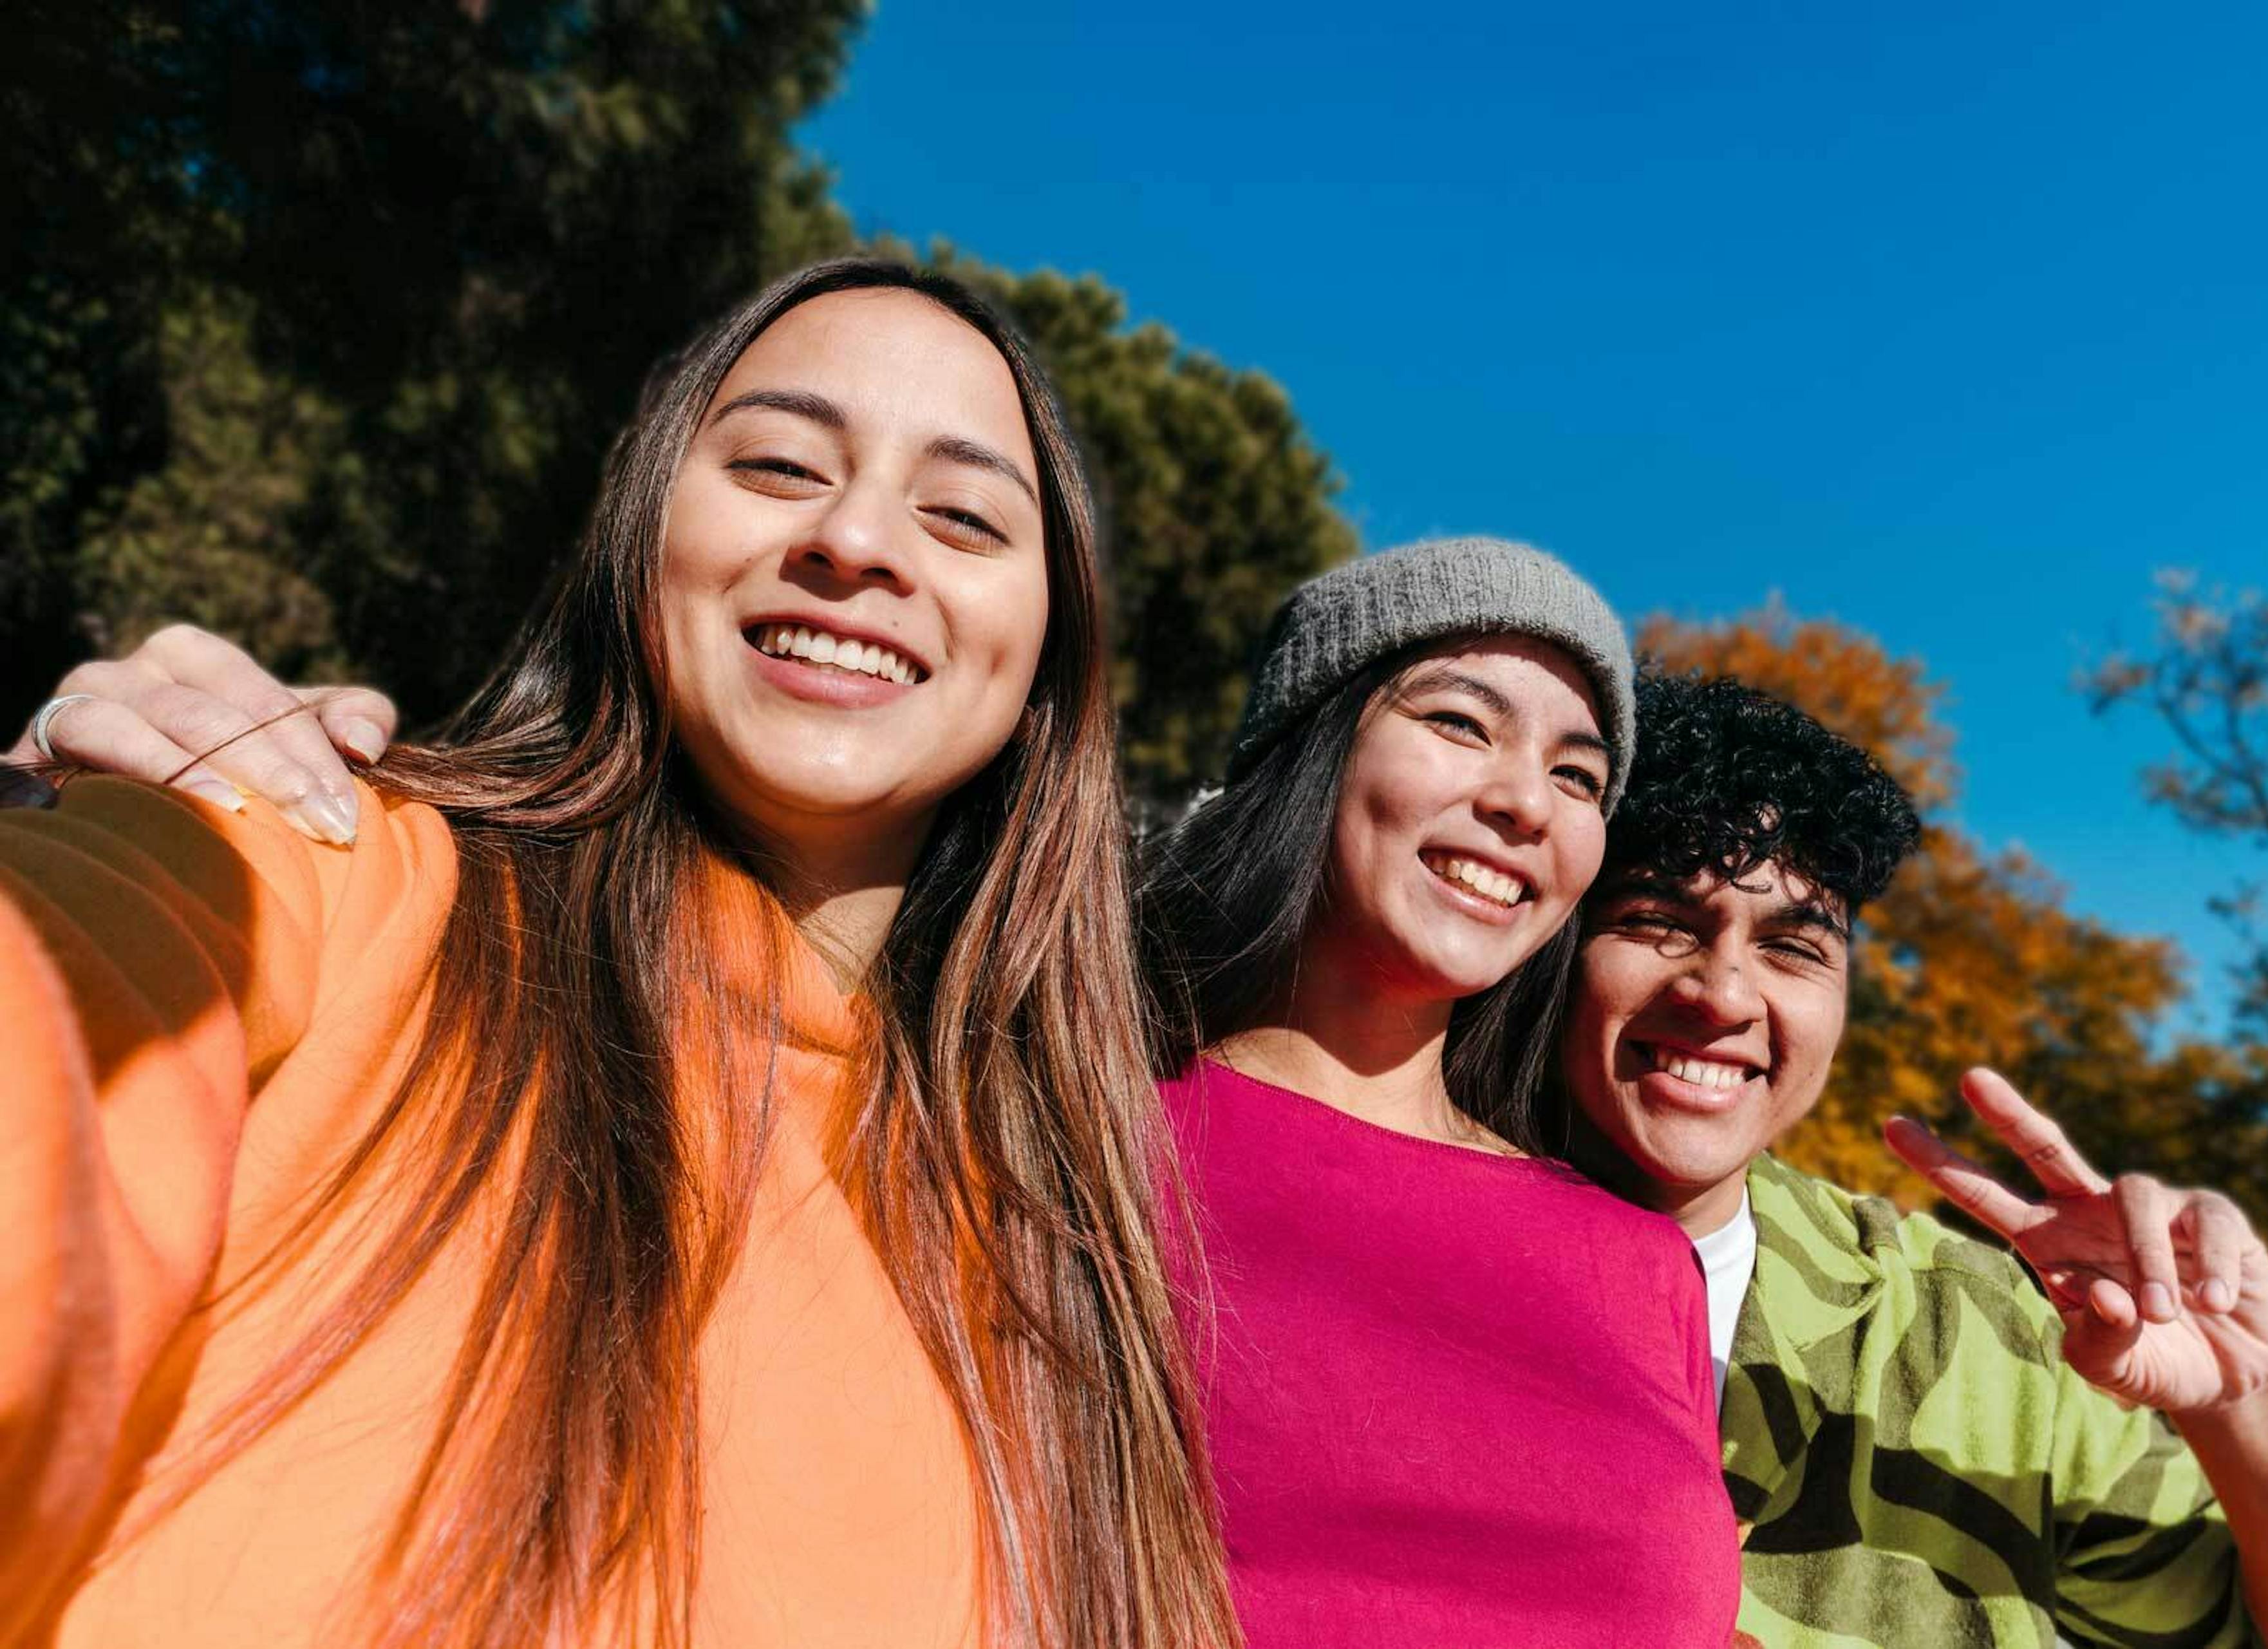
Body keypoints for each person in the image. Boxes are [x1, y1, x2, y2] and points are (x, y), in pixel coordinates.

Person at [0, 259, 1232, 1649]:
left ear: (1047, 663)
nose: (859, 539)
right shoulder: (324, 860)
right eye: (777, 464)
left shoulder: (1063, 1267)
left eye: (962, 516)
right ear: (642, 530)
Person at [1557, 670, 2268, 1648]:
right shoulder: (1394, 1270)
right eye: (1656, 920)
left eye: (1794, 947)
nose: (1724, 992)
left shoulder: (1973, 1324)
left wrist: (2255, 1407)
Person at [1139, 538, 1743, 1648]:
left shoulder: (1646, 1263)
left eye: (1578, 774)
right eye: (1461, 723)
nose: (1525, 800)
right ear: (1309, 749)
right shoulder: (1074, 1143)